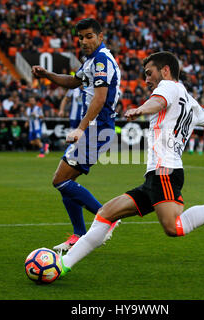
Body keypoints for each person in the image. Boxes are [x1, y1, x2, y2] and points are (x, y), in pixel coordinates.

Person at [58, 51, 204, 277]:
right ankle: (63, 265)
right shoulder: (189, 101)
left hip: (166, 173)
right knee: (106, 213)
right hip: (155, 176)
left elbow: (158, 101)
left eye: (149, 73)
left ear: (166, 70)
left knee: (174, 227)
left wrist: (141, 109)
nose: (146, 79)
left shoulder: (168, 87)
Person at [32, 18, 121, 251]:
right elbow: (73, 81)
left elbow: (100, 99)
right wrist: (47, 74)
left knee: (60, 180)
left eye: (89, 36)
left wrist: (81, 128)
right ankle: (79, 234)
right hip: (93, 128)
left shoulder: (102, 60)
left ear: (100, 37)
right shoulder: (91, 61)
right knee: (65, 181)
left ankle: (108, 217)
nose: (83, 41)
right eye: (80, 37)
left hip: (96, 128)